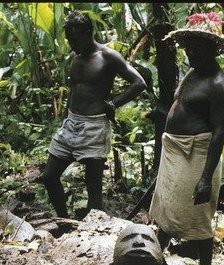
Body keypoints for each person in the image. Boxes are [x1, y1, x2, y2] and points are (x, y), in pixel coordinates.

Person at [149, 12, 224, 265]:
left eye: (198, 48)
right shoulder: (192, 73)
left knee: (197, 214)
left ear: (212, 49)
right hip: (174, 151)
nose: (191, 53)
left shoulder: (219, 84)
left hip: (197, 153)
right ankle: (155, 262)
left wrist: (206, 177)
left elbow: (219, 131)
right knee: (167, 209)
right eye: (189, 48)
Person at [42, 11, 147, 219]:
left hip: (94, 125)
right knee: (49, 176)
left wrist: (114, 104)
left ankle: (93, 232)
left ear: (89, 33)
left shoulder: (108, 57)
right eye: (69, 40)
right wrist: (65, 119)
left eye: (76, 39)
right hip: (71, 124)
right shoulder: (74, 57)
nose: (72, 44)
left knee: (93, 185)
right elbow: (73, 91)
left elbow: (139, 83)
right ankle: (64, 221)